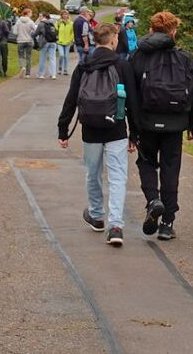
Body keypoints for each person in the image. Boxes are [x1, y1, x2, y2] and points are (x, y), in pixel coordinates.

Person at [58, 23, 137, 247]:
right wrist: (135, 133)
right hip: (116, 129)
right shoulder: (122, 65)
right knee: (117, 177)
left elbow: (71, 98)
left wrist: (63, 129)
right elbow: (132, 101)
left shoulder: (84, 65)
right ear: (112, 40)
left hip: (90, 129)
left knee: (93, 173)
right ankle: (116, 226)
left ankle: (96, 215)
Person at [127, 11, 193, 241]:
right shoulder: (186, 58)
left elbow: (131, 93)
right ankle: (167, 222)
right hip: (175, 122)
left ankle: (152, 201)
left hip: (146, 121)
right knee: (171, 168)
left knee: (146, 162)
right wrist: (192, 125)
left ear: (151, 29)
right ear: (173, 31)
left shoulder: (138, 56)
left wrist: (133, 125)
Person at [13, 7, 36, 77]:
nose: (31, 14)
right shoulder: (31, 22)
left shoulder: (18, 21)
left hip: (20, 41)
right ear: (28, 13)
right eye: (31, 13)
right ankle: (28, 74)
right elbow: (35, 30)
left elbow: (15, 32)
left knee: (21, 56)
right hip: (29, 40)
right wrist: (31, 33)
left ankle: (22, 66)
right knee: (28, 57)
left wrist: (20, 33)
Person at [36, 12, 58, 79]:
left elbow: (36, 33)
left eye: (40, 16)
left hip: (44, 42)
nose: (39, 17)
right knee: (52, 58)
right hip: (53, 42)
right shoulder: (52, 23)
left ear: (44, 16)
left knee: (42, 58)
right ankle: (53, 74)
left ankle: (41, 74)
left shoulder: (41, 24)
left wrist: (32, 35)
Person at [56, 9, 75, 76]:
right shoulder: (58, 23)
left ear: (68, 15)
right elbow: (55, 31)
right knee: (61, 55)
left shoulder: (71, 23)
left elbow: (72, 33)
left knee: (66, 56)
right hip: (60, 42)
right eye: (63, 14)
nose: (65, 15)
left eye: (66, 14)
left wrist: (71, 40)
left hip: (68, 42)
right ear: (61, 15)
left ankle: (65, 70)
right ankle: (60, 68)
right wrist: (56, 37)